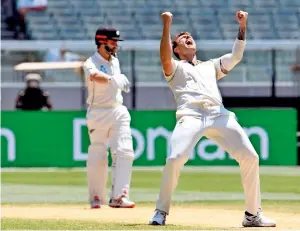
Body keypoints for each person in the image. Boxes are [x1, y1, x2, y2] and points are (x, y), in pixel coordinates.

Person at [148, 11, 276, 227]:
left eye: (190, 35)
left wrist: (243, 25)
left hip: (219, 115)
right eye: (182, 38)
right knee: (174, 158)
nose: (188, 36)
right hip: (191, 115)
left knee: (250, 157)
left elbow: (235, 56)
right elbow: (164, 57)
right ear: (176, 49)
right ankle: (161, 211)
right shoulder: (175, 67)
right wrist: (167, 24)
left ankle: (252, 215)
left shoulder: (210, 66)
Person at [82, 26, 135, 209]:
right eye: (113, 42)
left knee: (125, 151)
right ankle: (96, 196)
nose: (116, 45)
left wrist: (117, 79)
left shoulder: (115, 61)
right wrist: (113, 80)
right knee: (98, 153)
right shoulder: (90, 61)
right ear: (102, 41)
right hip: (98, 112)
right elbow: (95, 75)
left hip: (117, 109)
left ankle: (119, 196)